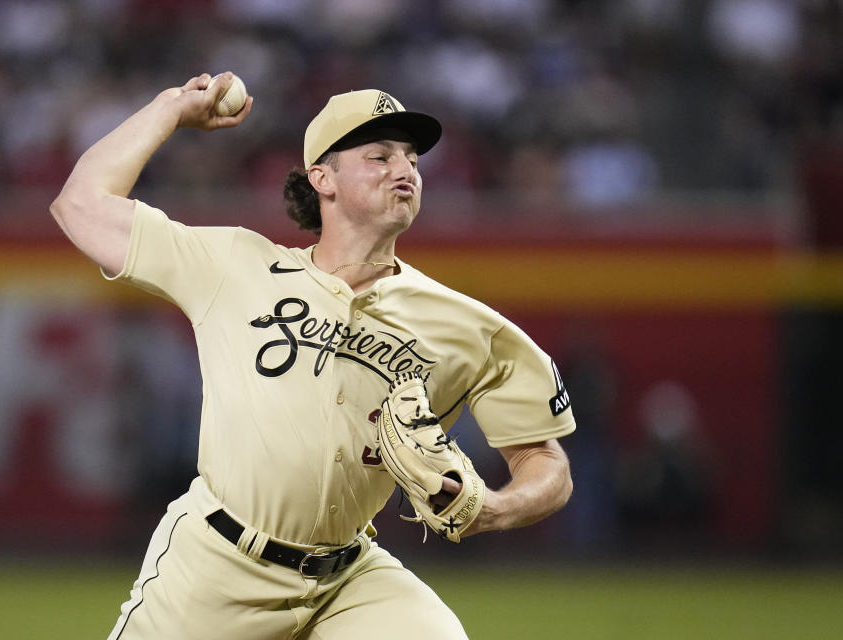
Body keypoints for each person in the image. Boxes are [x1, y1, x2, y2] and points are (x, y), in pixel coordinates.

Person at [50, 71, 576, 640]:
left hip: (348, 578)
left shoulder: (467, 326)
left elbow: (547, 464)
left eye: (413, 161)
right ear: (321, 177)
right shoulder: (233, 265)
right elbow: (80, 205)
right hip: (217, 566)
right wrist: (170, 109)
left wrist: (497, 508)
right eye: (379, 156)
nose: (405, 170)